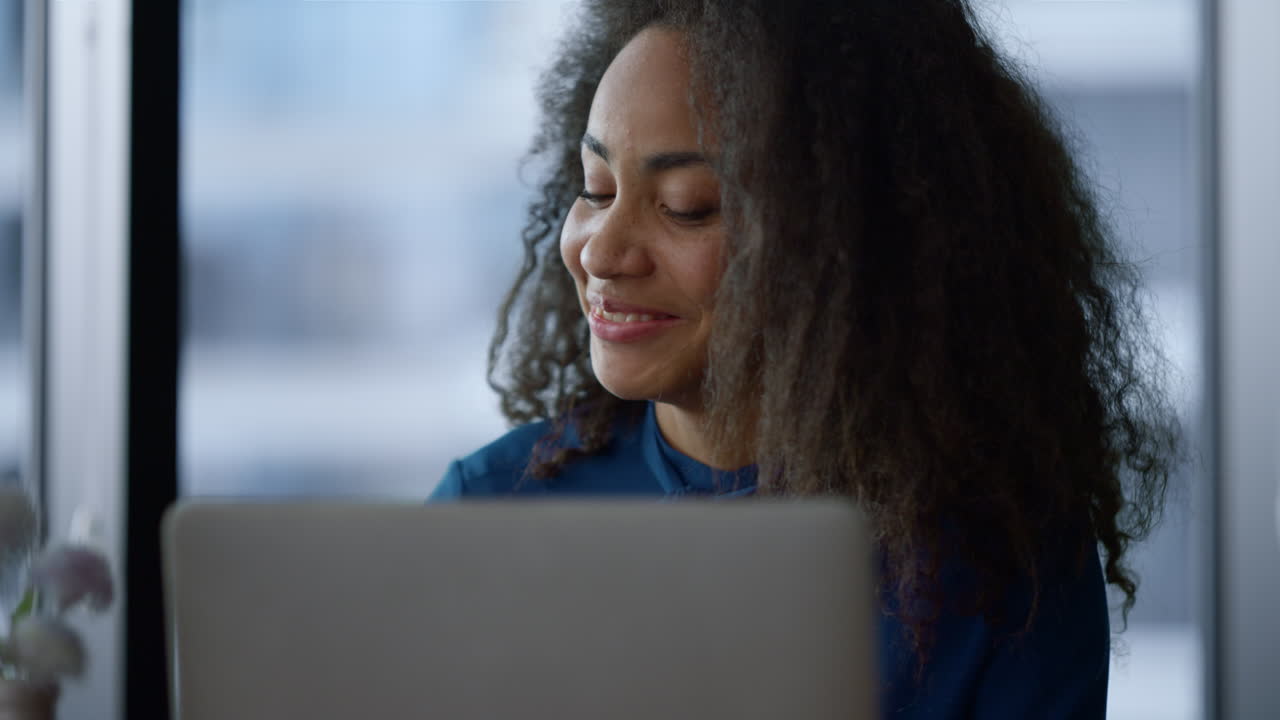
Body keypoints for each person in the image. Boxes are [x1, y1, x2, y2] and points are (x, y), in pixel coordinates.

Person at [431, 0, 1182, 716]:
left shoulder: (1000, 560)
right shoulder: (493, 510)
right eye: (596, 188)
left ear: (846, 239)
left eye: (687, 204)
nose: (601, 249)